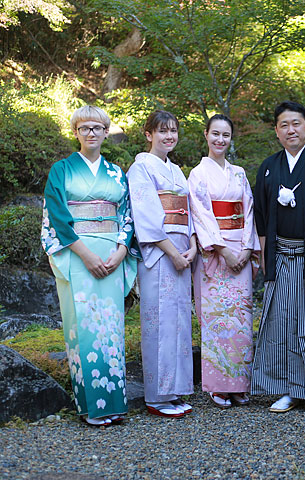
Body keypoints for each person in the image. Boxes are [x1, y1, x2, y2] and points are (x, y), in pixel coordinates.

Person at [41, 105, 139, 426]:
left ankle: (114, 404)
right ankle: (91, 407)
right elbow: (57, 215)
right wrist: (85, 254)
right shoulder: (62, 169)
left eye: (97, 128)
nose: (91, 133)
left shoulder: (116, 172)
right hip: (78, 254)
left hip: (111, 254)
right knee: (82, 327)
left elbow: (126, 215)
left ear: (106, 132)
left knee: (111, 329)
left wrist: (122, 250)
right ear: (76, 133)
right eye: (84, 128)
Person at [251, 101, 305, 413]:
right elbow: (260, 215)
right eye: (284, 125)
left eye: (296, 123)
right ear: (277, 131)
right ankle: (286, 388)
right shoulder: (269, 167)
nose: (291, 130)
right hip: (280, 253)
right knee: (281, 321)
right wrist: (263, 255)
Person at [127, 111, 196, 418]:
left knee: (180, 323)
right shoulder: (140, 168)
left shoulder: (177, 171)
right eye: (162, 131)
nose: (169, 136)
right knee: (159, 325)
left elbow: (188, 212)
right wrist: (173, 253)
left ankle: (177, 390)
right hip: (160, 253)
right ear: (148, 134)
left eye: (173, 131)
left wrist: (193, 245)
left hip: (182, 251)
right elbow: (146, 216)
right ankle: (157, 396)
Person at [188, 114, 260, 408]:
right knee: (217, 320)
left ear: (231, 139)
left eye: (226, 135)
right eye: (215, 134)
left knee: (241, 320)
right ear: (206, 135)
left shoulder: (239, 173)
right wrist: (224, 250)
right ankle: (219, 385)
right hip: (215, 254)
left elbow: (249, 211)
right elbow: (201, 214)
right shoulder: (197, 174)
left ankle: (239, 384)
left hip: (240, 251)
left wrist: (246, 249)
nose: (220, 140)